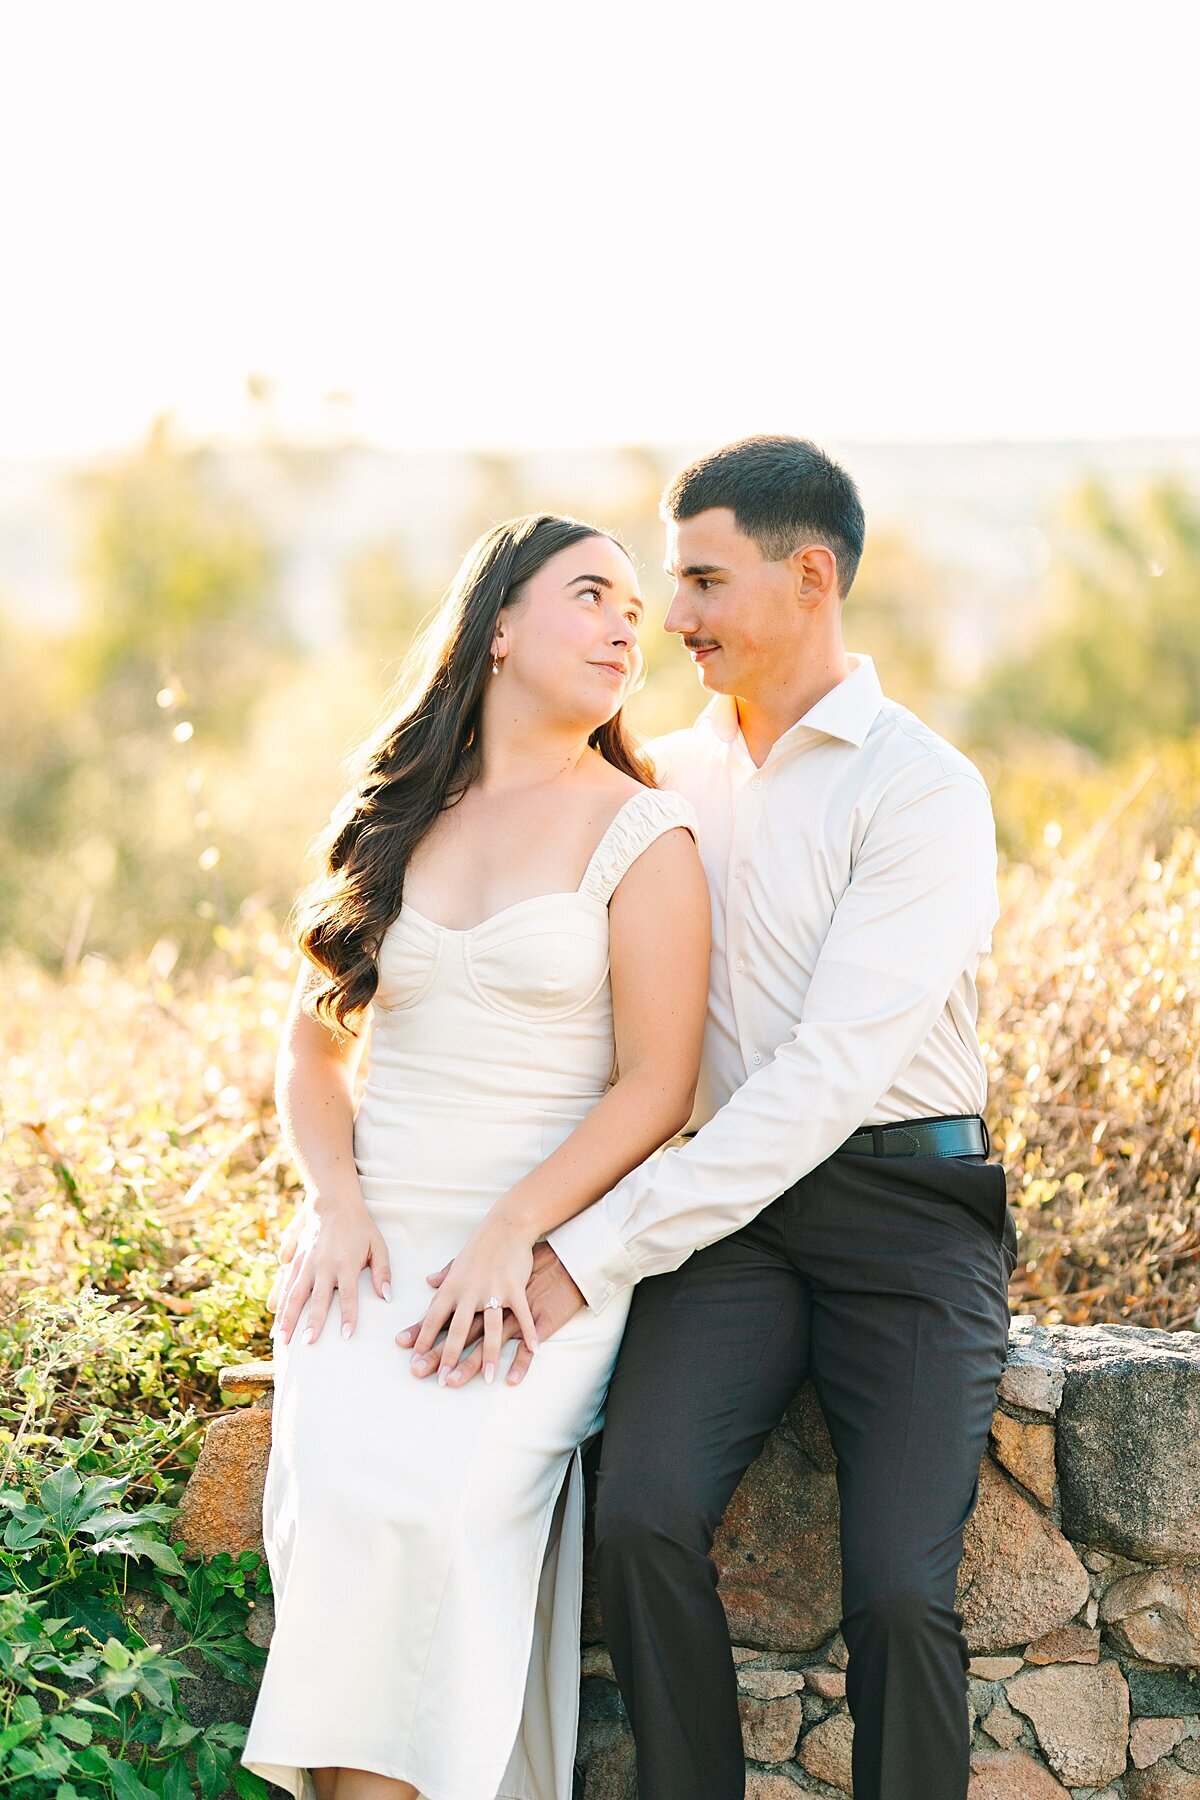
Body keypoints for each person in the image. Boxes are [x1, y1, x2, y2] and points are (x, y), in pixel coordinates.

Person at [406, 438, 1019, 1800]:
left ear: (812, 577)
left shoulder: (920, 791)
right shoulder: (662, 781)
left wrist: (590, 1250)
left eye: (699, 580)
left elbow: (821, 1082)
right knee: (637, 1522)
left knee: (904, 1596)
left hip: (908, 1223)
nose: (665, 618)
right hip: (729, 1232)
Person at [240, 512, 710, 1800]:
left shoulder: (646, 838)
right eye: (591, 594)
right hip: (373, 1247)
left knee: (444, 1515)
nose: (629, 624)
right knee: (342, 1507)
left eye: (638, 605)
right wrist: (333, 1206)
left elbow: (659, 1087)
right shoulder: (391, 818)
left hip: (537, 1266)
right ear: (497, 625)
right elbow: (314, 1054)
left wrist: (518, 1232)